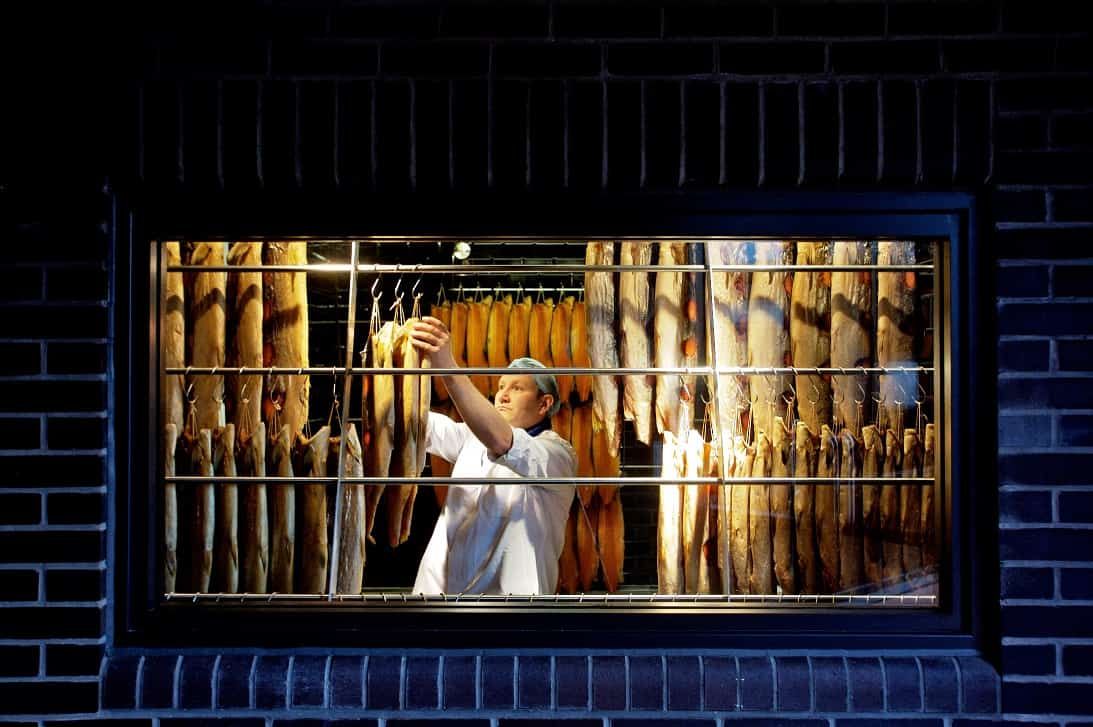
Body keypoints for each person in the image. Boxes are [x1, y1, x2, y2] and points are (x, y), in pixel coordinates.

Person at [408, 315, 577, 595]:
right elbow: (416, 424)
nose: (503, 396)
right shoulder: (470, 439)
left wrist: (447, 367)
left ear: (544, 403)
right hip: (437, 602)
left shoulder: (556, 454)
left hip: (508, 612)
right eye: (500, 387)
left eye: (517, 388)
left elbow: (501, 440)